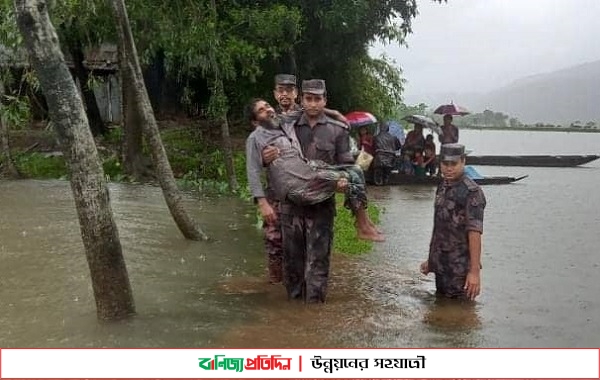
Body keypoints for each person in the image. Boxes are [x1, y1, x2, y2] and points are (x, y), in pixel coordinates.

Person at [262, 79, 383, 303]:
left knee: (317, 266)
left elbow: (346, 165)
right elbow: (264, 151)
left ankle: (314, 314)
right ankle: (295, 318)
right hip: (292, 207)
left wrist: (342, 183)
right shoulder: (285, 126)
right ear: (302, 100)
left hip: (321, 208)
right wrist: (264, 157)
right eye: (309, 98)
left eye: (318, 99)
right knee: (293, 267)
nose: (313, 104)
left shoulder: (337, 131)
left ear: (324, 100)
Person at [245, 98, 381, 241]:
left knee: (356, 170)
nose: (268, 110)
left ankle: (363, 222)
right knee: (349, 179)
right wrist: (263, 204)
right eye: (261, 110)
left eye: (267, 106)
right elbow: (252, 171)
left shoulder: (282, 123)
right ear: (255, 122)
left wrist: (334, 113)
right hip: (298, 185)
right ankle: (363, 226)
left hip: (309, 171)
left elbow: (305, 110)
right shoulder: (255, 138)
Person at [420, 143, 486, 301]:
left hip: (460, 269)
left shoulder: (472, 193)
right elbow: (439, 226)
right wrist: (431, 260)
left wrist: (474, 272)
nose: (449, 168)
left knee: (460, 315)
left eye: (454, 164)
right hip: (441, 264)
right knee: (440, 309)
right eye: (445, 164)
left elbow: (475, 233)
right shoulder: (442, 186)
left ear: (463, 161)